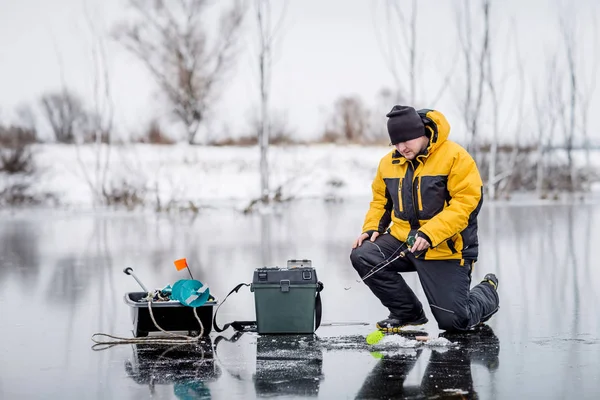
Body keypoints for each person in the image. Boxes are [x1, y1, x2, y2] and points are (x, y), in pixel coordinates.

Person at [350, 105, 499, 332]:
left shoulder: (455, 157)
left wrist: (430, 233)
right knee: (364, 254)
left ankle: (487, 291)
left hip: (446, 247)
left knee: (455, 322)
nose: (401, 148)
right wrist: (371, 228)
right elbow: (381, 200)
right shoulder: (388, 163)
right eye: (396, 143)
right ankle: (407, 313)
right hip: (404, 241)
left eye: (406, 140)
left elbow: (466, 204)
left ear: (421, 132)